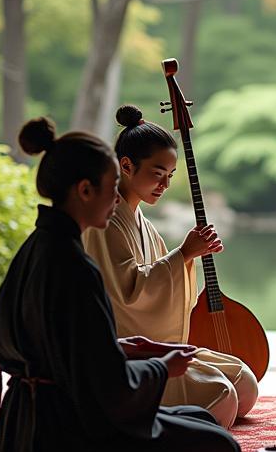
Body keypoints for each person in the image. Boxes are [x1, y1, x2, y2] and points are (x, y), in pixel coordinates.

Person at [0, 117, 240, 452]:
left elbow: (64, 351)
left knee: (203, 420)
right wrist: (161, 368)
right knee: (224, 451)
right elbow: (105, 386)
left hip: (38, 420)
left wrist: (128, 346)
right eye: (111, 191)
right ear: (85, 190)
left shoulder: (40, 245)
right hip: (67, 434)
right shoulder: (71, 264)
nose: (117, 199)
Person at [83, 105, 258, 428]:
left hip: (157, 343)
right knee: (224, 398)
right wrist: (182, 254)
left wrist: (188, 256)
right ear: (126, 165)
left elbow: (166, 284)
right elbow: (128, 293)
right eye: (157, 173)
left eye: (170, 176)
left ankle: (169, 415)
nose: (164, 184)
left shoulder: (141, 221)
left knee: (245, 383)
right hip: (129, 350)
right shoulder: (105, 222)